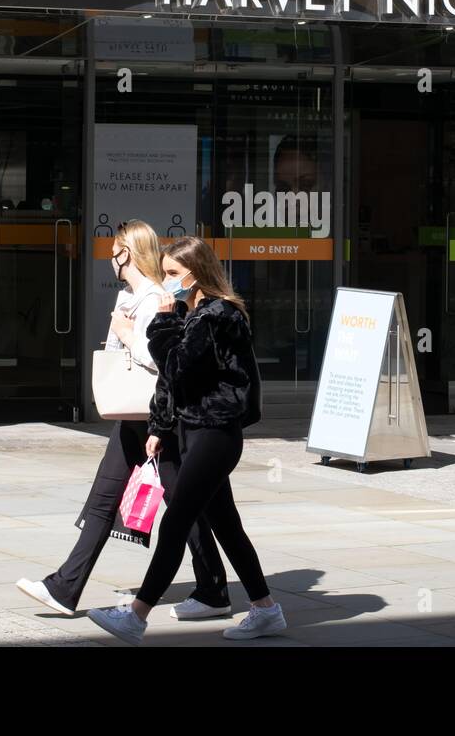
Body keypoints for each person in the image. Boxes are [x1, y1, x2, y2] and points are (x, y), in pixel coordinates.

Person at [16, 221, 231, 619]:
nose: (109, 259)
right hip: (137, 417)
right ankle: (65, 587)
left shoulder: (152, 298)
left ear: (126, 253)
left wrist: (127, 334)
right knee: (107, 501)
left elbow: (159, 360)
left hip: (152, 417)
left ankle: (213, 590)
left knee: (184, 505)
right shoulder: (133, 297)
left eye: (114, 250)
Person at [87, 236, 283, 645]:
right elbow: (174, 383)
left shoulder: (218, 315)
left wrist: (160, 323)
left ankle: (137, 616)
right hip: (194, 429)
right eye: (166, 274)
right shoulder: (193, 313)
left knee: (176, 521)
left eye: (174, 274)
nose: (168, 282)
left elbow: (173, 366)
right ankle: (266, 609)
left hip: (216, 431)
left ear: (197, 273)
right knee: (227, 526)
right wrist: (159, 427)